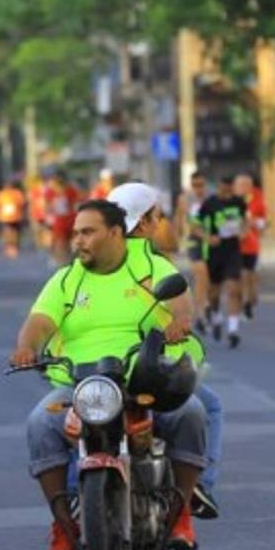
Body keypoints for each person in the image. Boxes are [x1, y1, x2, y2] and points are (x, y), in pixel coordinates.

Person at [9, 200, 208, 550]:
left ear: (115, 233)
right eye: (75, 234)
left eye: (88, 232)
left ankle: (181, 515)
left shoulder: (147, 265)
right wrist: (26, 346)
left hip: (144, 378)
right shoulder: (67, 279)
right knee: (40, 421)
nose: (78, 241)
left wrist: (179, 322)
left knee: (191, 412)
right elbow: (40, 321)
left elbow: (179, 298)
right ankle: (63, 526)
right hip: (83, 385)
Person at [109, 182, 224, 518]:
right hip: (145, 367)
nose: (163, 223)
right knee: (209, 408)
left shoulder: (89, 262)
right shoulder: (151, 261)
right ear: (142, 224)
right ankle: (200, 484)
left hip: (95, 369)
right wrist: (180, 321)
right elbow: (182, 306)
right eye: (158, 217)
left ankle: (73, 499)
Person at [200, 174, 248, 348]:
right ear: (218, 187)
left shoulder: (238, 202)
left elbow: (245, 220)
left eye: (228, 189)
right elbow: (195, 225)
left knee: (233, 288)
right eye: (222, 189)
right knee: (214, 292)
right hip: (214, 252)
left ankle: (233, 330)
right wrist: (207, 237)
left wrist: (244, 231)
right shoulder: (210, 203)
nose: (225, 192)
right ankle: (215, 314)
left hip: (233, 251)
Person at [175, 171, 211, 333]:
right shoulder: (185, 199)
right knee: (200, 274)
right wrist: (175, 240)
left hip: (211, 240)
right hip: (193, 240)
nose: (198, 189)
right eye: (195, 185)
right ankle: (201, 312)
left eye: (201, 185)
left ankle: (208, 304)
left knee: (208, 278)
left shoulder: (211, 198)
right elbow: (179, 219)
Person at [235, 174, 267, 320]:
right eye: (239, 185)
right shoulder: (231, 200)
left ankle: (251, 299)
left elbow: (263, 223)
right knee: (241, 276)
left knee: (251, 277)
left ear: (250, 186)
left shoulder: (258, 198)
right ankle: (244, 303)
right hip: (234, 246)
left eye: (244, 185)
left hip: (252, 245)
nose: (241, 188)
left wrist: (251, 222)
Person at [44, 170, 80, 266]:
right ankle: (61, 259)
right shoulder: (51, 191)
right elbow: (48, 206)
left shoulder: (70, 190)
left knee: (69, 241)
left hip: (70, 218)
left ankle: (67, 259)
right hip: (59, 220)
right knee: (59, 241)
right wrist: (48, 217)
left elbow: (76, 204)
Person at [0, 179, 27, 259]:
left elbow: (22, 204)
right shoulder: (2, 194)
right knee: (8, 232)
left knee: (14, 232)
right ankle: (9, 246)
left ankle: (14, 246)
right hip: (5, 217)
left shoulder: (16, 193)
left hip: (15, 217)